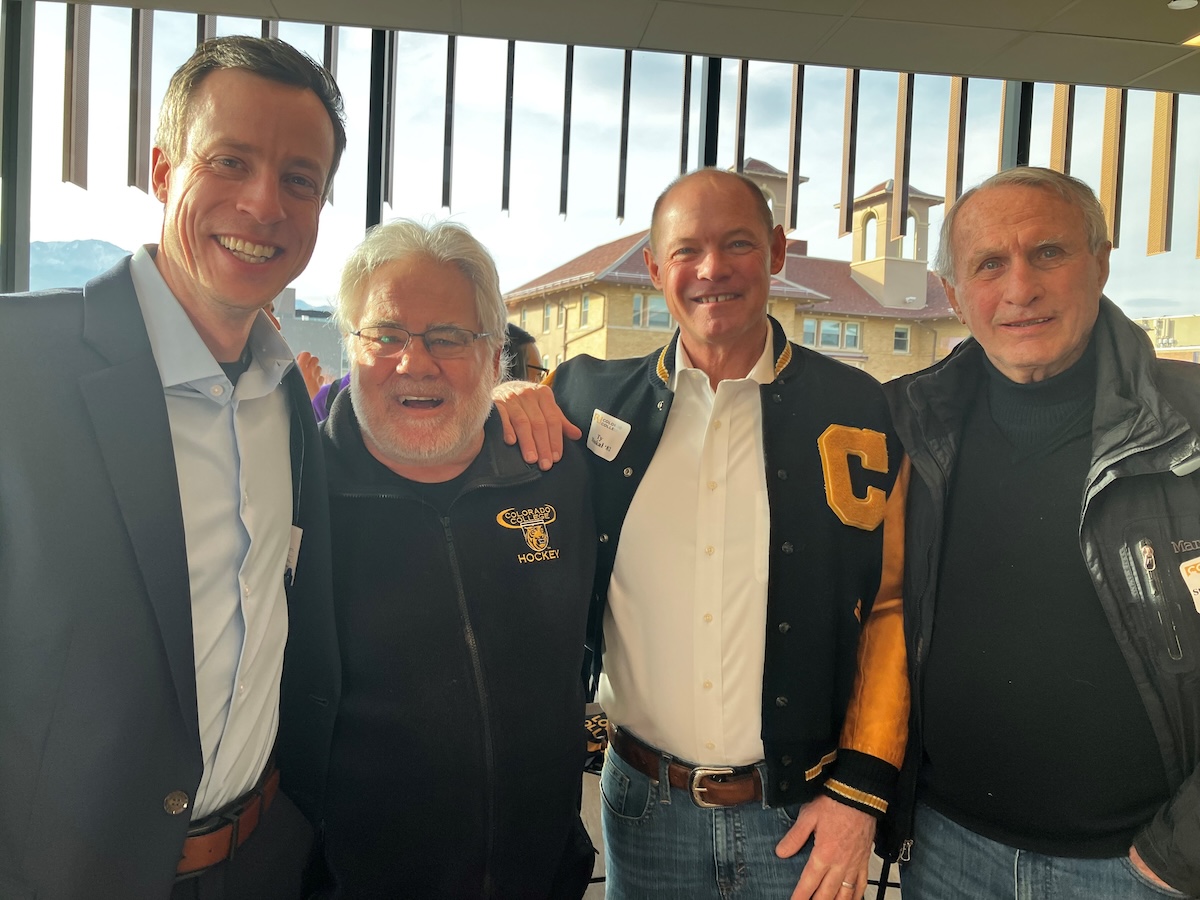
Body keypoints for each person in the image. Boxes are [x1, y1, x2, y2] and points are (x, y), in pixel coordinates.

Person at [496, 168, 908, 899]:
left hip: (803, 811)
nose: (712, 269)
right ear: (655, 269)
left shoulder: (861, 411)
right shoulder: (587, 399)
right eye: (687, 250)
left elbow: (890, 607)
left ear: (778, 252)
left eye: (738, 243)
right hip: (642, 807)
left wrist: (858, 794)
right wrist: (506, 396)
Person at [0, 36, 344, 900]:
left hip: (260, 860)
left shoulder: (287, 406)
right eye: (230, 160)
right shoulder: (17, 364)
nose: (264, 203)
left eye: (299, 179)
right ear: (162, 171)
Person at [880, 166, 1200, 899]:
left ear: (1101, 262)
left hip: (1138, 871)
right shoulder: (905, 426)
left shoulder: (1191, 426)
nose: (1020, 287)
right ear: (956, 296)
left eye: (1047, 253)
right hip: (947, 852)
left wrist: (1181, 855)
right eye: (989, 264)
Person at [316, 220, 597, 898]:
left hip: (543, 880)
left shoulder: (557, 471)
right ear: (351, 348)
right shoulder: (298, 494)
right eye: (385, 336)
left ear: (494, 355)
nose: (415, 362)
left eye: (448, 337)